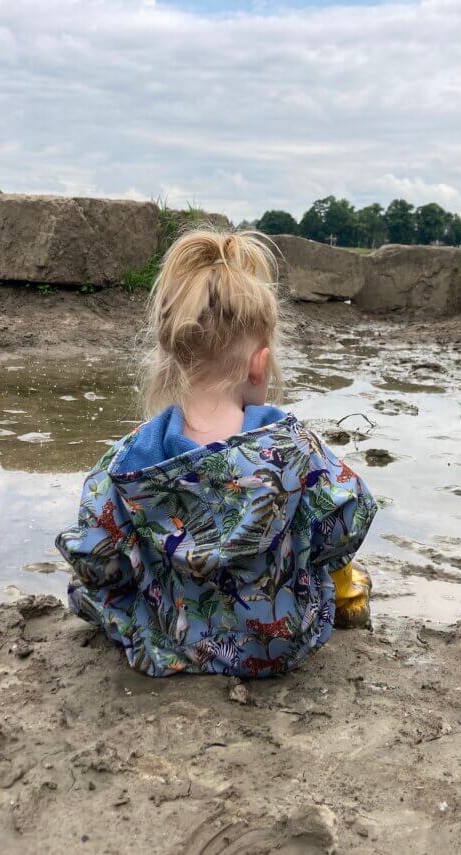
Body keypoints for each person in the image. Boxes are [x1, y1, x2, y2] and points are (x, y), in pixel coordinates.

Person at [55, 228, 376, 677]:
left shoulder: (130, 457)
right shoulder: (294, 445)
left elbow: (96, 557)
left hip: (167, 641)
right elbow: (346, 520)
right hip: (281, 647)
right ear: (260, 364)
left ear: (168, 358)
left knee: (90, 585)